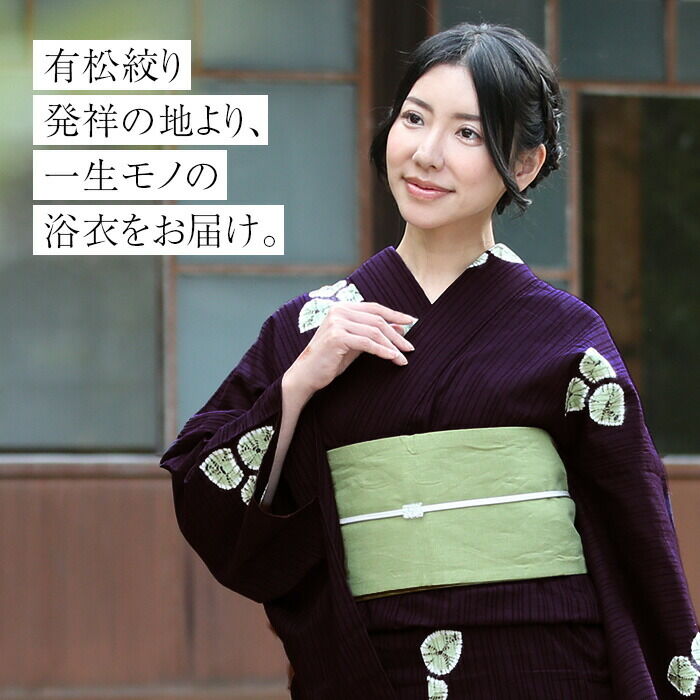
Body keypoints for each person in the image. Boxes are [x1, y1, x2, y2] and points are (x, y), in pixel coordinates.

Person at [159, 22, 699, 699]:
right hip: (370, 669)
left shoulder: (566, 336)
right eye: (414, 119)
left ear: (524, 164)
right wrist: (298, 384)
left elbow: (638, 533)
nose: (426, 153)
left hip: (544, 667)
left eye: (467, 133)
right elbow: (202, 491)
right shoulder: (310, 329)